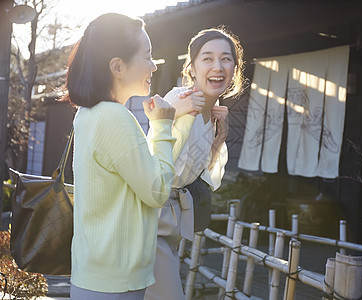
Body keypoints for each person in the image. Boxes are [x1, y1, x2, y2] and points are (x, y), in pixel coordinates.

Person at [63, 13, 196, 299]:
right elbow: (157, 190)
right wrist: (161, 123)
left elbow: (137, 171)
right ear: (117, 66)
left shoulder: (89, 113)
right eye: (147, 56)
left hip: (96, 276)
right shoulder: (114, 117)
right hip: (115, 283)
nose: (154, 65)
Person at [144, 27, 245, 300]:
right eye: (207, 58)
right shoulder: (178, 100)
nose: (218, 66)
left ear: (235, 69)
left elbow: (207, 179)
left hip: (171, 222)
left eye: (226, 59)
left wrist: (219, 139)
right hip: (148, 219)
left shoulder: (214, 115)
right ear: (192, 67)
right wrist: (178, 115)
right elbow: (153, 163)